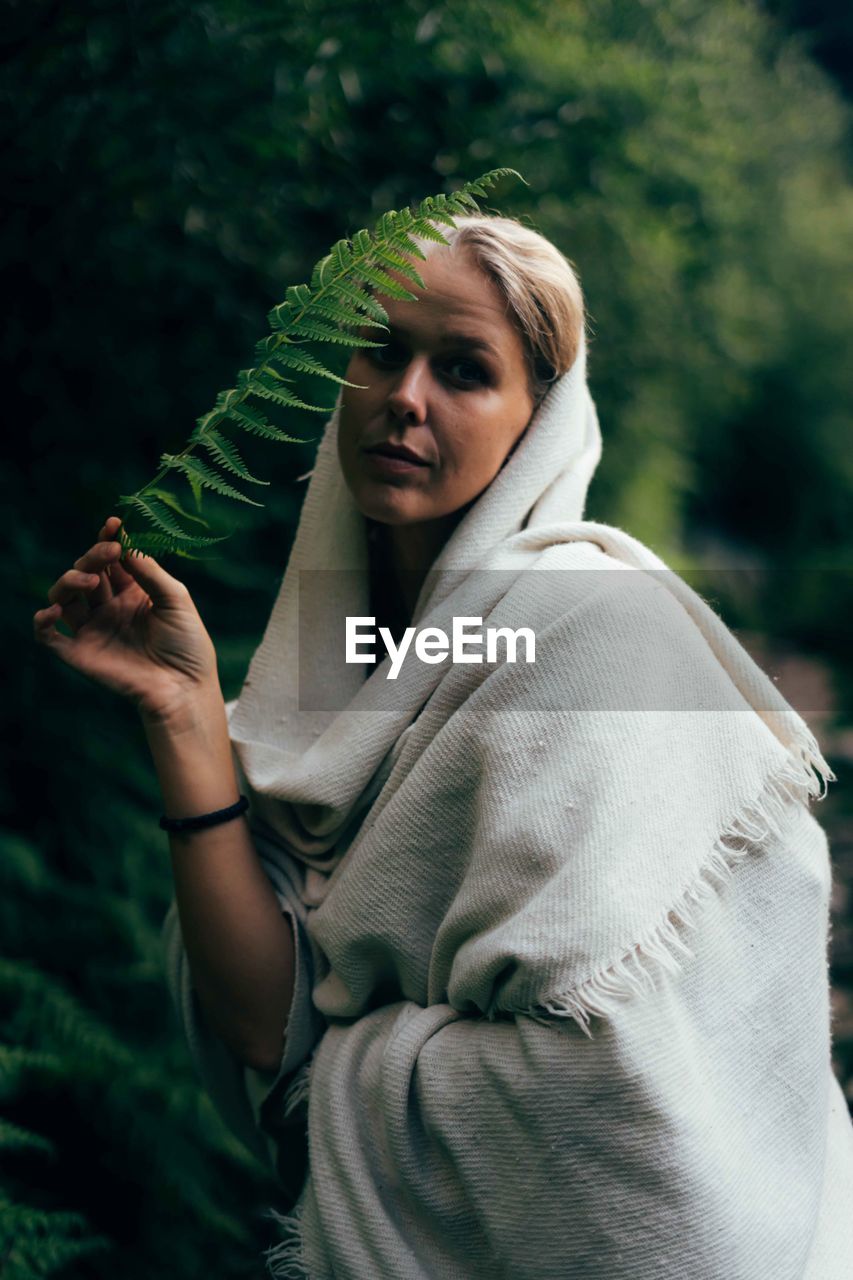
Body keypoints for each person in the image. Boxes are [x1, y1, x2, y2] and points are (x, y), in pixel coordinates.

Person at [34, 214, 853, 1279]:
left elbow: (603, 1090)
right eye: (380, 348)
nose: (404, 396)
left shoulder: (588, 634)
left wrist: (347, 1059)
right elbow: (266, 1035)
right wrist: (185, 711)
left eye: (464, 369)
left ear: (539, 421)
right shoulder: (329, 673)